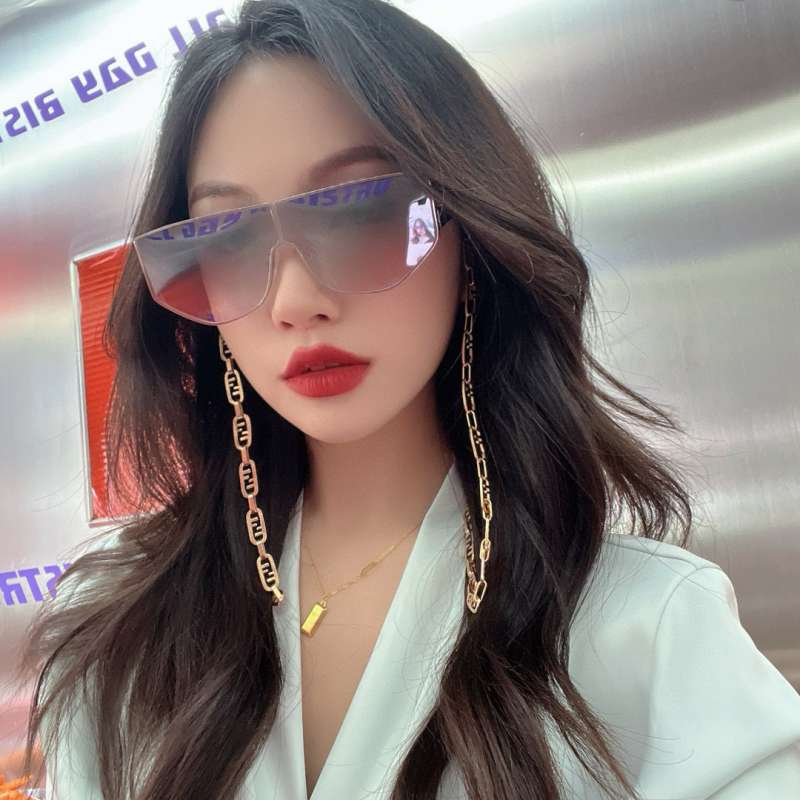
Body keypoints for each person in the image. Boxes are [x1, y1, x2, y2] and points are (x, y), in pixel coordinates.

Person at [15, 1, 800, 798]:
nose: (294, 300)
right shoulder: (115, 624)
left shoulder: (645, 630)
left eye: (359, 211)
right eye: (228, 238)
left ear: (472, 236)